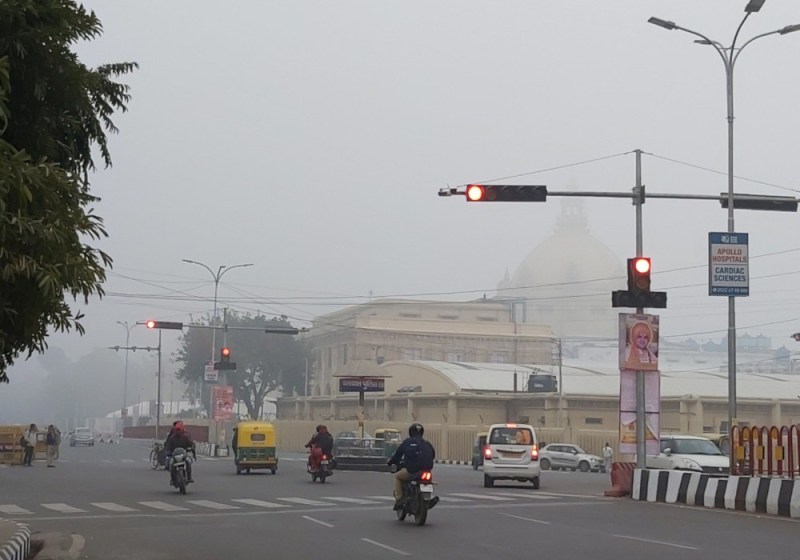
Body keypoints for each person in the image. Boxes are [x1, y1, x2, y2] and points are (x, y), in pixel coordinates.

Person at [387, 423, 436, 510]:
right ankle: (427, 498)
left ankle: (399, 499)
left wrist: (390, 462)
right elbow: (433, 455)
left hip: (412, 471)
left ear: (410, 432)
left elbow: (397, 455)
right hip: (427, 472)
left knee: (397, 476)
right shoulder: (427, 443)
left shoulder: (407, 442)